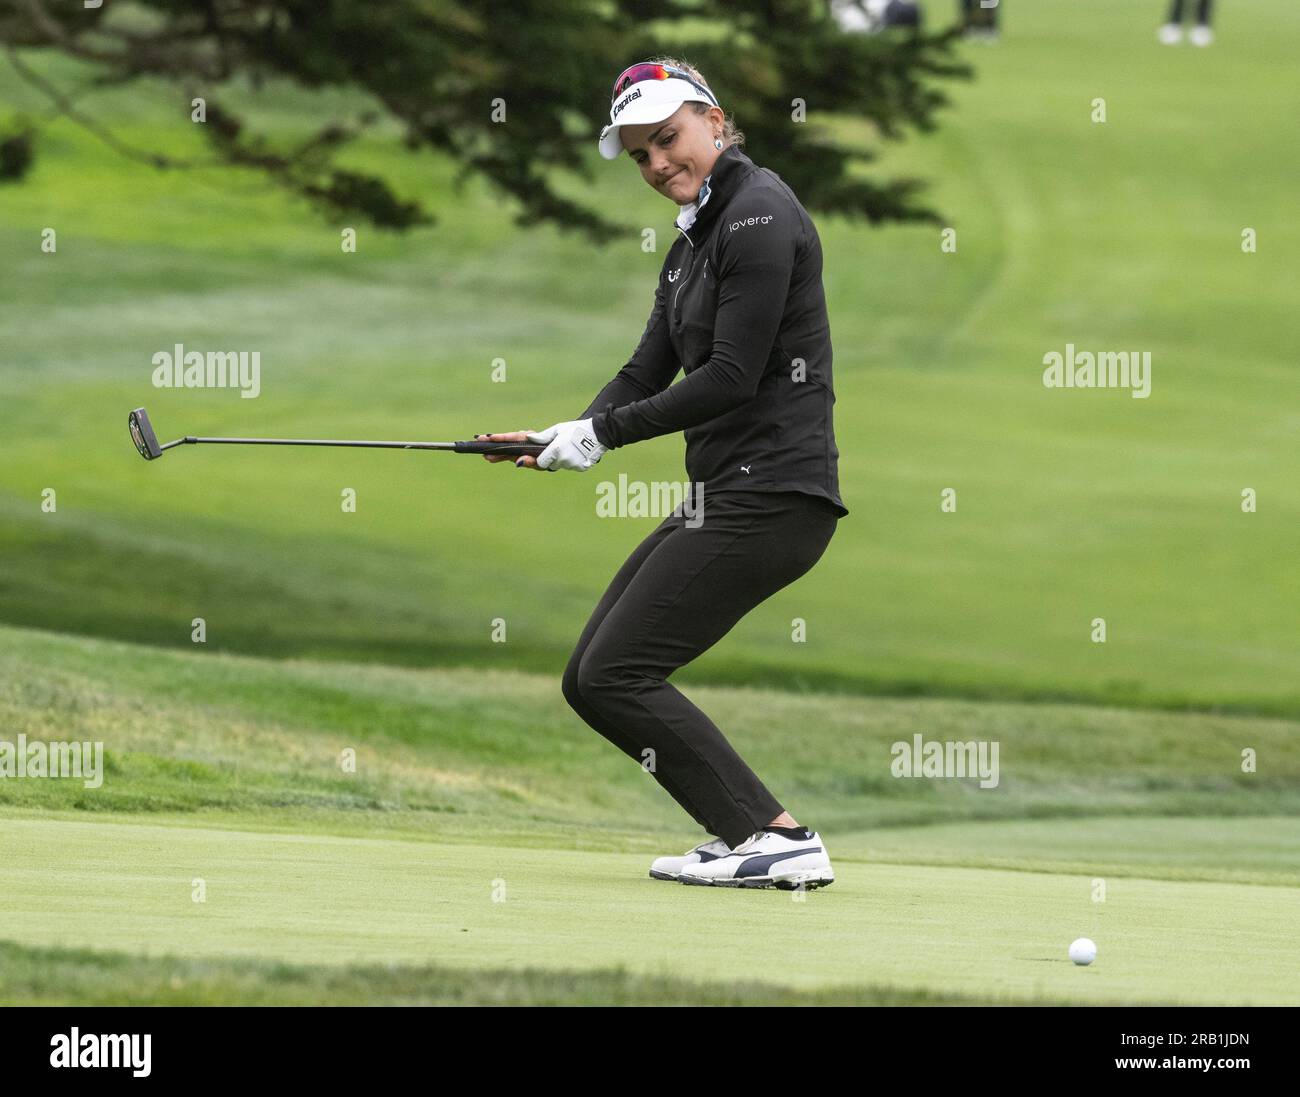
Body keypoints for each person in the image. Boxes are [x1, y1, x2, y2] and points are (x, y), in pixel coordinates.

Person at [476, 58, 847, 890]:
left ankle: (776, 835)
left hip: (775, 495)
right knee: (589, 677)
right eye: (641, 153)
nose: (658, 164)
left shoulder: (757, 215)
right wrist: (560, 433)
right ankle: (746, 831)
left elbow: (729, 377)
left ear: (715, 121)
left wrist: (600, 436)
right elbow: (645, 371)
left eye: (668, 138)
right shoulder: (694, 243)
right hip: (730, 492)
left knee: (617, 671)